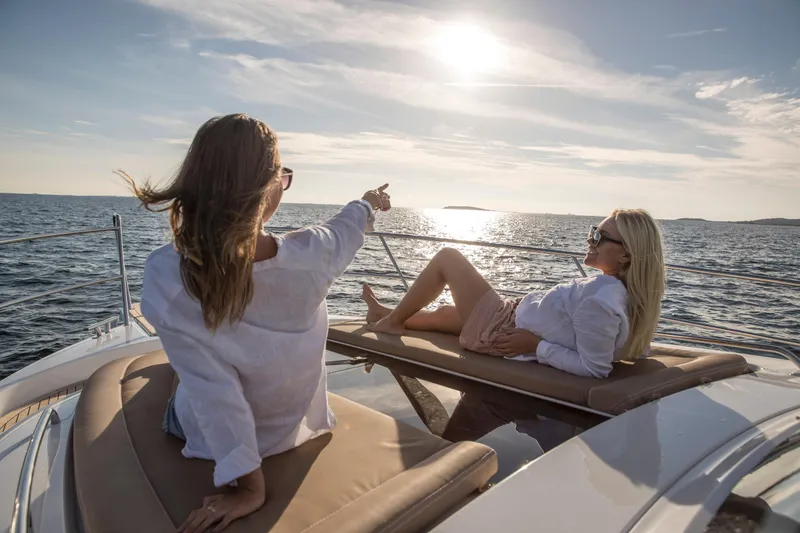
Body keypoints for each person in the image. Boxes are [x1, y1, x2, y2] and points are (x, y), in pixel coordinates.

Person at [119, 113, 390, 533]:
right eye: (282, 176)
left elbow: (216, 395)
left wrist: (248, 486)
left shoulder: (167, 274)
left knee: (183, 376)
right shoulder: (314, 252)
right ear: (268, 187)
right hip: (294, 427)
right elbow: (349, 224)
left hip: (219, 445)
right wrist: (369, 200)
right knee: (190, 369)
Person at [364, 209, 665, 379]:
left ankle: (391, 323)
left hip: (502, 331)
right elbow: (624, 342)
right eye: (592, 232)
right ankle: (385, 315)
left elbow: (593, 368)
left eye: (599, 236)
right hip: (510, 318)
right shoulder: (623, 293)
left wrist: (536, 346)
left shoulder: (601, 302)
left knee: (448, 257)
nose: (590, 240)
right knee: (445, 315)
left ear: (626, 255)